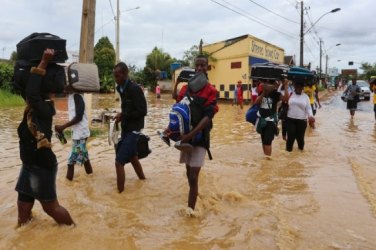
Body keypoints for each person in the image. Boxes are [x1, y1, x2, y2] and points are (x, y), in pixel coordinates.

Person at [15, 48, 74, 226]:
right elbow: (29, 93)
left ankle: (72, 230)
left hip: (41, 164)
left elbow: (32, 93)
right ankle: (24, 236)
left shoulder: (44, 107)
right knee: (23, 206)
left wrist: (43, 62)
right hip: (29, 163)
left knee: (50, 207)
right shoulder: (31, 110)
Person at [168, 55, 218, 212]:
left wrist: (190, 135)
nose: (200, 68)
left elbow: (207, 118)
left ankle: (190, 212)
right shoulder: (185, 89)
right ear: (194, 67)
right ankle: (194, 194)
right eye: (198, 65)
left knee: (193, 176)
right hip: (185, 138)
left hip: (200, 138)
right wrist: (170, 130)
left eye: (203, 66)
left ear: (207, 68)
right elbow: (178, 111)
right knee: (188, 172)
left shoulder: (211, 91)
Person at [113, 62, 147, 193]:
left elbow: (143, 111)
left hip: (134, 129)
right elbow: (127, 108)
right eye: (115, 76)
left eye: (118, 76)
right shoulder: (120, 89)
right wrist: (122, 115)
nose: (116, 79)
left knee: (118, 162)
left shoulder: (134, 89)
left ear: (125, 74)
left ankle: (120, 196)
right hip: (126, 128)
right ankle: (143, 181)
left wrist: (124, 114)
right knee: (133, 157)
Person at [54, 90, 93, 181]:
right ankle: (91, 178)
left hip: (80, 134)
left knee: (70, 162)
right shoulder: (72, 96)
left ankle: (69, 184)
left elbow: (79, 117)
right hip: (78, 133)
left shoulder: (77, 96)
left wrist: (63, 126)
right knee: (85, 159)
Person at [254, 79, 289, 158]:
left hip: (271, 121)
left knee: (267, 142)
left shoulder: (276, 94)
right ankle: (266, 160)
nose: (267, 85)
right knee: (263, 141)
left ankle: (268, 160)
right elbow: (256, 102)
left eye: (269, 83)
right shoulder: (262, 93)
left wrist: (286, 86)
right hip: (262, 120)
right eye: (266, 83)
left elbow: (286, 99)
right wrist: (263, 93)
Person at [285, 81, 315, 152]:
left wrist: (310, 116)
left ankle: (300, 153)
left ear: (302, 87)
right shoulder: (290, 94)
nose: (299, 87)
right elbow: (284, 100)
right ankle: (288, 154)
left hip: (302, 121)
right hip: (290, 119)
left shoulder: (306, 97)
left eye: (300, 86)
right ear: (294, 86)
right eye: (297, 86)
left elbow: (308, 108)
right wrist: (285, 85)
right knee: (290, 138)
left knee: (300, 139)